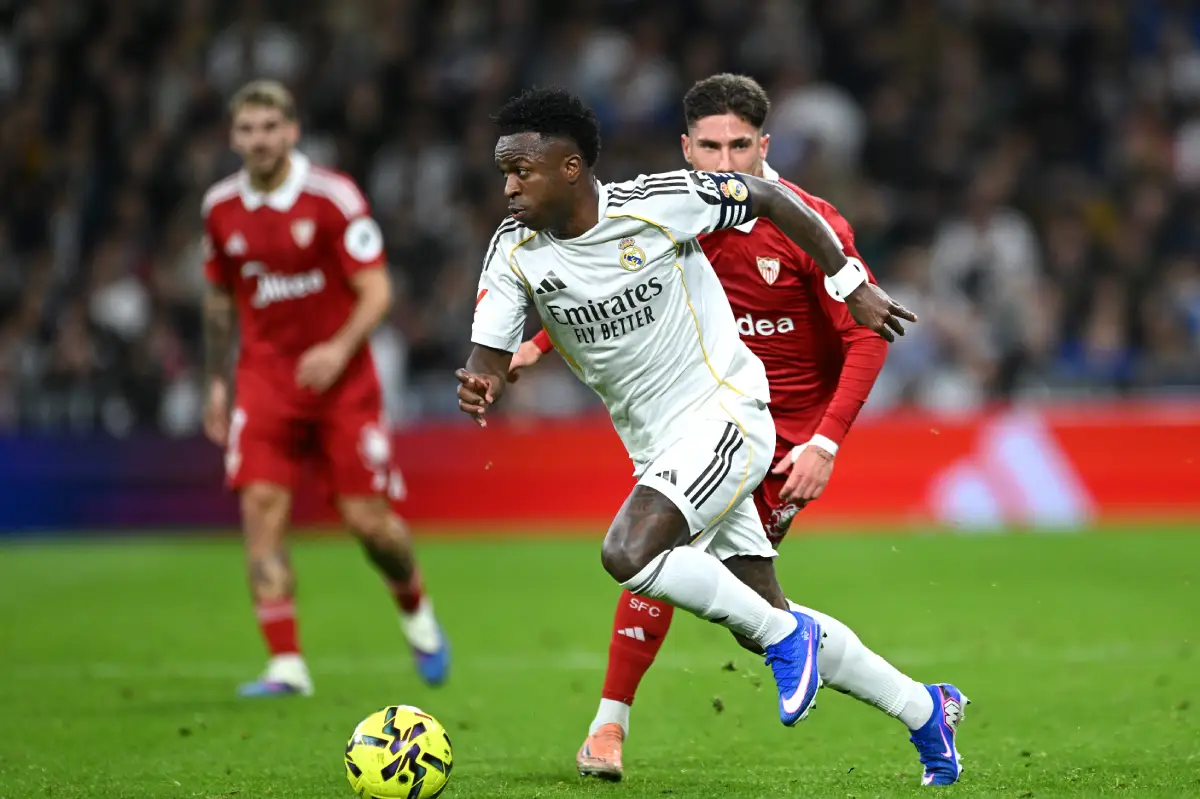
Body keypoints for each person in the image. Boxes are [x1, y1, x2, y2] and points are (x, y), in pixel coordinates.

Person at [509, 75, 969, 787]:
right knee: (756, 610)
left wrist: (825, 442)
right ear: (685, 148)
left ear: (765, 146)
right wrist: (535, 347)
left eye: (740, 147)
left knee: (657, 548)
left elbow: (867, 337)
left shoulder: (808, 223)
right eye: (710, 148)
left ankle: (610, 723)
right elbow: (603, 280)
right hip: (697, 416)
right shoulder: (677, 210)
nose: (724, 164)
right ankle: (923, 709)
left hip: (775, 440)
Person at [200, 80, 448, 697]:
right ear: (234, 137)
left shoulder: (333, 198)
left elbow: (378, 291)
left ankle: (413, 605)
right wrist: (214, 380)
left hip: (343, 385)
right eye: (247, 130)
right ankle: (287, 666)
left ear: (292, 131)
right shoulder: (220, 208)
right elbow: (217, 298)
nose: (258, 140)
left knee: (369, 524)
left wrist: (337, 348)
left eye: (269, 128)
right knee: (261, 513)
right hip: (264, 381)